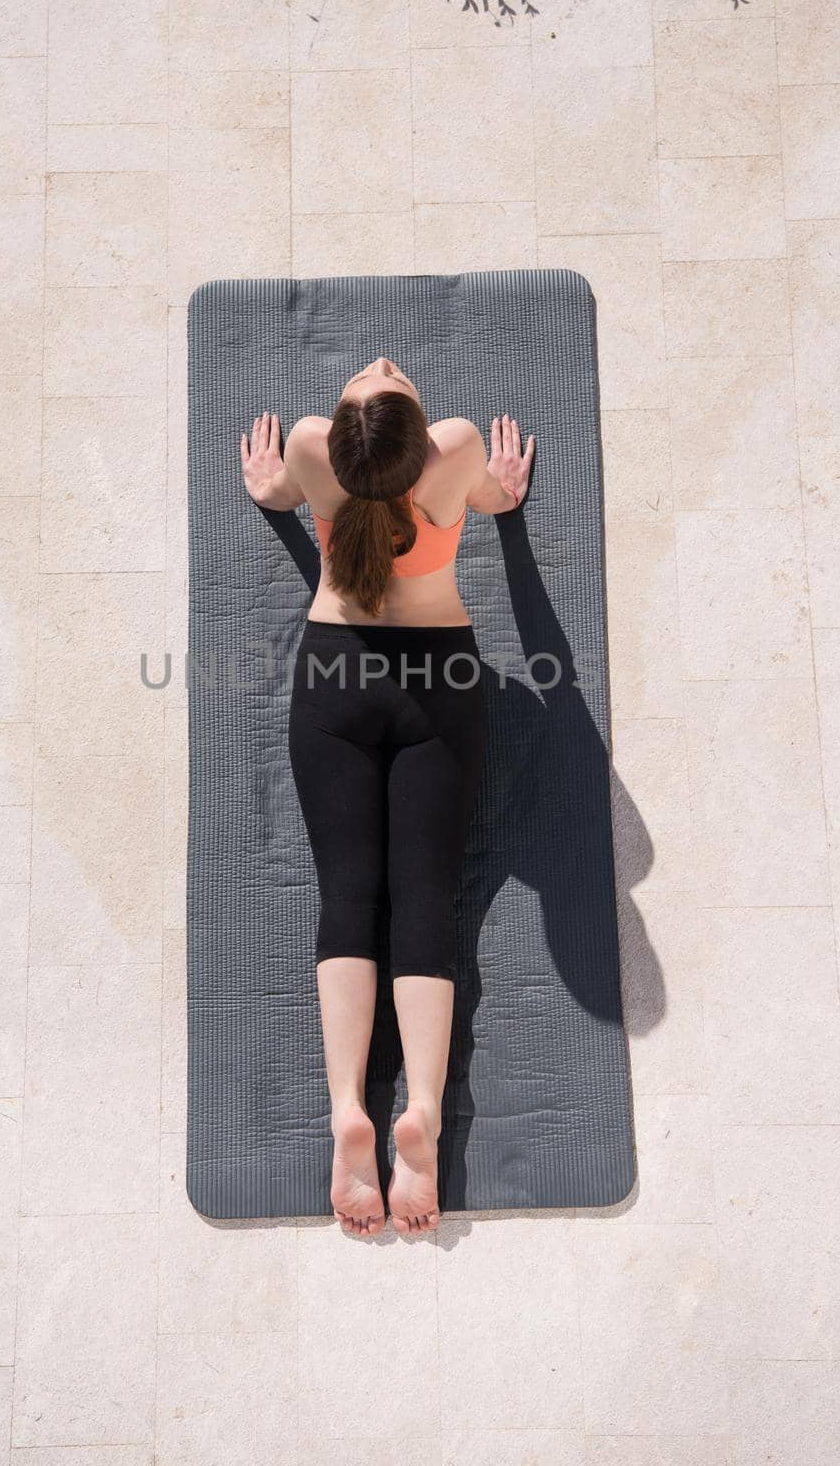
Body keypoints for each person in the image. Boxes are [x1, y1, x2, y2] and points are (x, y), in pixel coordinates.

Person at [239, 357, 533, 1237]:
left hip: (335, 680)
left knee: (348, 897)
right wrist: (504, 493)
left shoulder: (309, 445)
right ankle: (426, 1115)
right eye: (390, 383)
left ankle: (347, 1112)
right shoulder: (454, 449)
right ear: (416, 441)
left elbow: (278, 495)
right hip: (439, 681)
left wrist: (268, 489)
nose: (382, 363)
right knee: (427, 899)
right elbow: (498, 500)